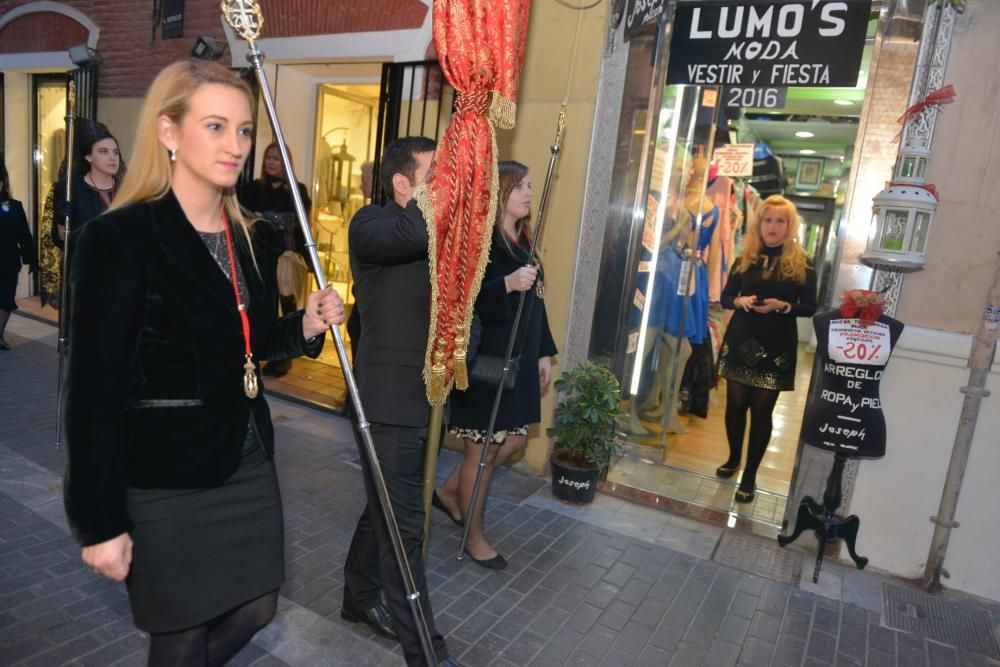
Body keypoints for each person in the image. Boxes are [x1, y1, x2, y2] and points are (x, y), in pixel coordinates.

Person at [62, 59, 345, 667]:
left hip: (246, 458)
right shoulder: (118, 240)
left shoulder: (253, 235)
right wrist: (99, 520)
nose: (236, 146)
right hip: (166, 474)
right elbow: (92, 392)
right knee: (181, 633)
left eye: (244, 130)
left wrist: (305, 324)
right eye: (215, 126)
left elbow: (251, 342)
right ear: (168, 131)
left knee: (259, 606)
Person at [341, 136, 458, 667]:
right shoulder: (373, 224)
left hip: (423, 396)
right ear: (402, 183)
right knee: (405, 528)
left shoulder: (432, 233)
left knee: (385, 507)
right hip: (387, 400)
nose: (446, 184)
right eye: (436, 173)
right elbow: (416, 228)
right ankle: (425, 652)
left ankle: (357, 595)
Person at [433, 160, 557, 569]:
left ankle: (451, 492)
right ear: (500, 192)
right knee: (483, 451)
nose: (527, 193)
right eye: (520, 185)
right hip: (485, 364)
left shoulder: (523, 243)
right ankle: (473, 536)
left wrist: (542, 352)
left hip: (517, 364)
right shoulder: (480, 242)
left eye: (530, 186)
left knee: (515, 442)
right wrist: (504, 284)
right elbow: (459, 302)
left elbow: (536, 303)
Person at [716, 194, 817, 503]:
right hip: (741, 337)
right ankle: (734, 458)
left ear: (790, 225)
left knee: (762, 410)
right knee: (735, 406)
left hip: (777, 343)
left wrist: (783, 306)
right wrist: (739, 301)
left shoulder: (804, 263)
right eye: (768, 220)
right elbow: (725, 298)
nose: (773, 226)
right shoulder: (744, 258)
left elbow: (811, 306)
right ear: (759, 224)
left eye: (780, 220)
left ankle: (750, 476)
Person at [240, 141, 312, 377]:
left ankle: (284, 358)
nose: (271, 162)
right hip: (260, 256)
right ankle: (260, 352)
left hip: (286, 256)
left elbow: (303, 226)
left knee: (289, 305)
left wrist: (307, 258)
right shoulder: (252, 189)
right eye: (268, 158)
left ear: (285, 163)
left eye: (276, 158)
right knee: (263, 306)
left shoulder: (296, 190)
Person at [52, 121, 123, 249]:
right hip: (83, 265)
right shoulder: (69, 189)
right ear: (88, 156)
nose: (112, 157)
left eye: (115, 152)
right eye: (103, 151)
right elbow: (61, 240)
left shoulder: (127, 189)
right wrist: (62, 220)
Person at [0, 160, 37, 349]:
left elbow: (24, 234)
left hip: (8, 262)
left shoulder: (14, 206)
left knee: (6, 300)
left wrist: (31, 260)